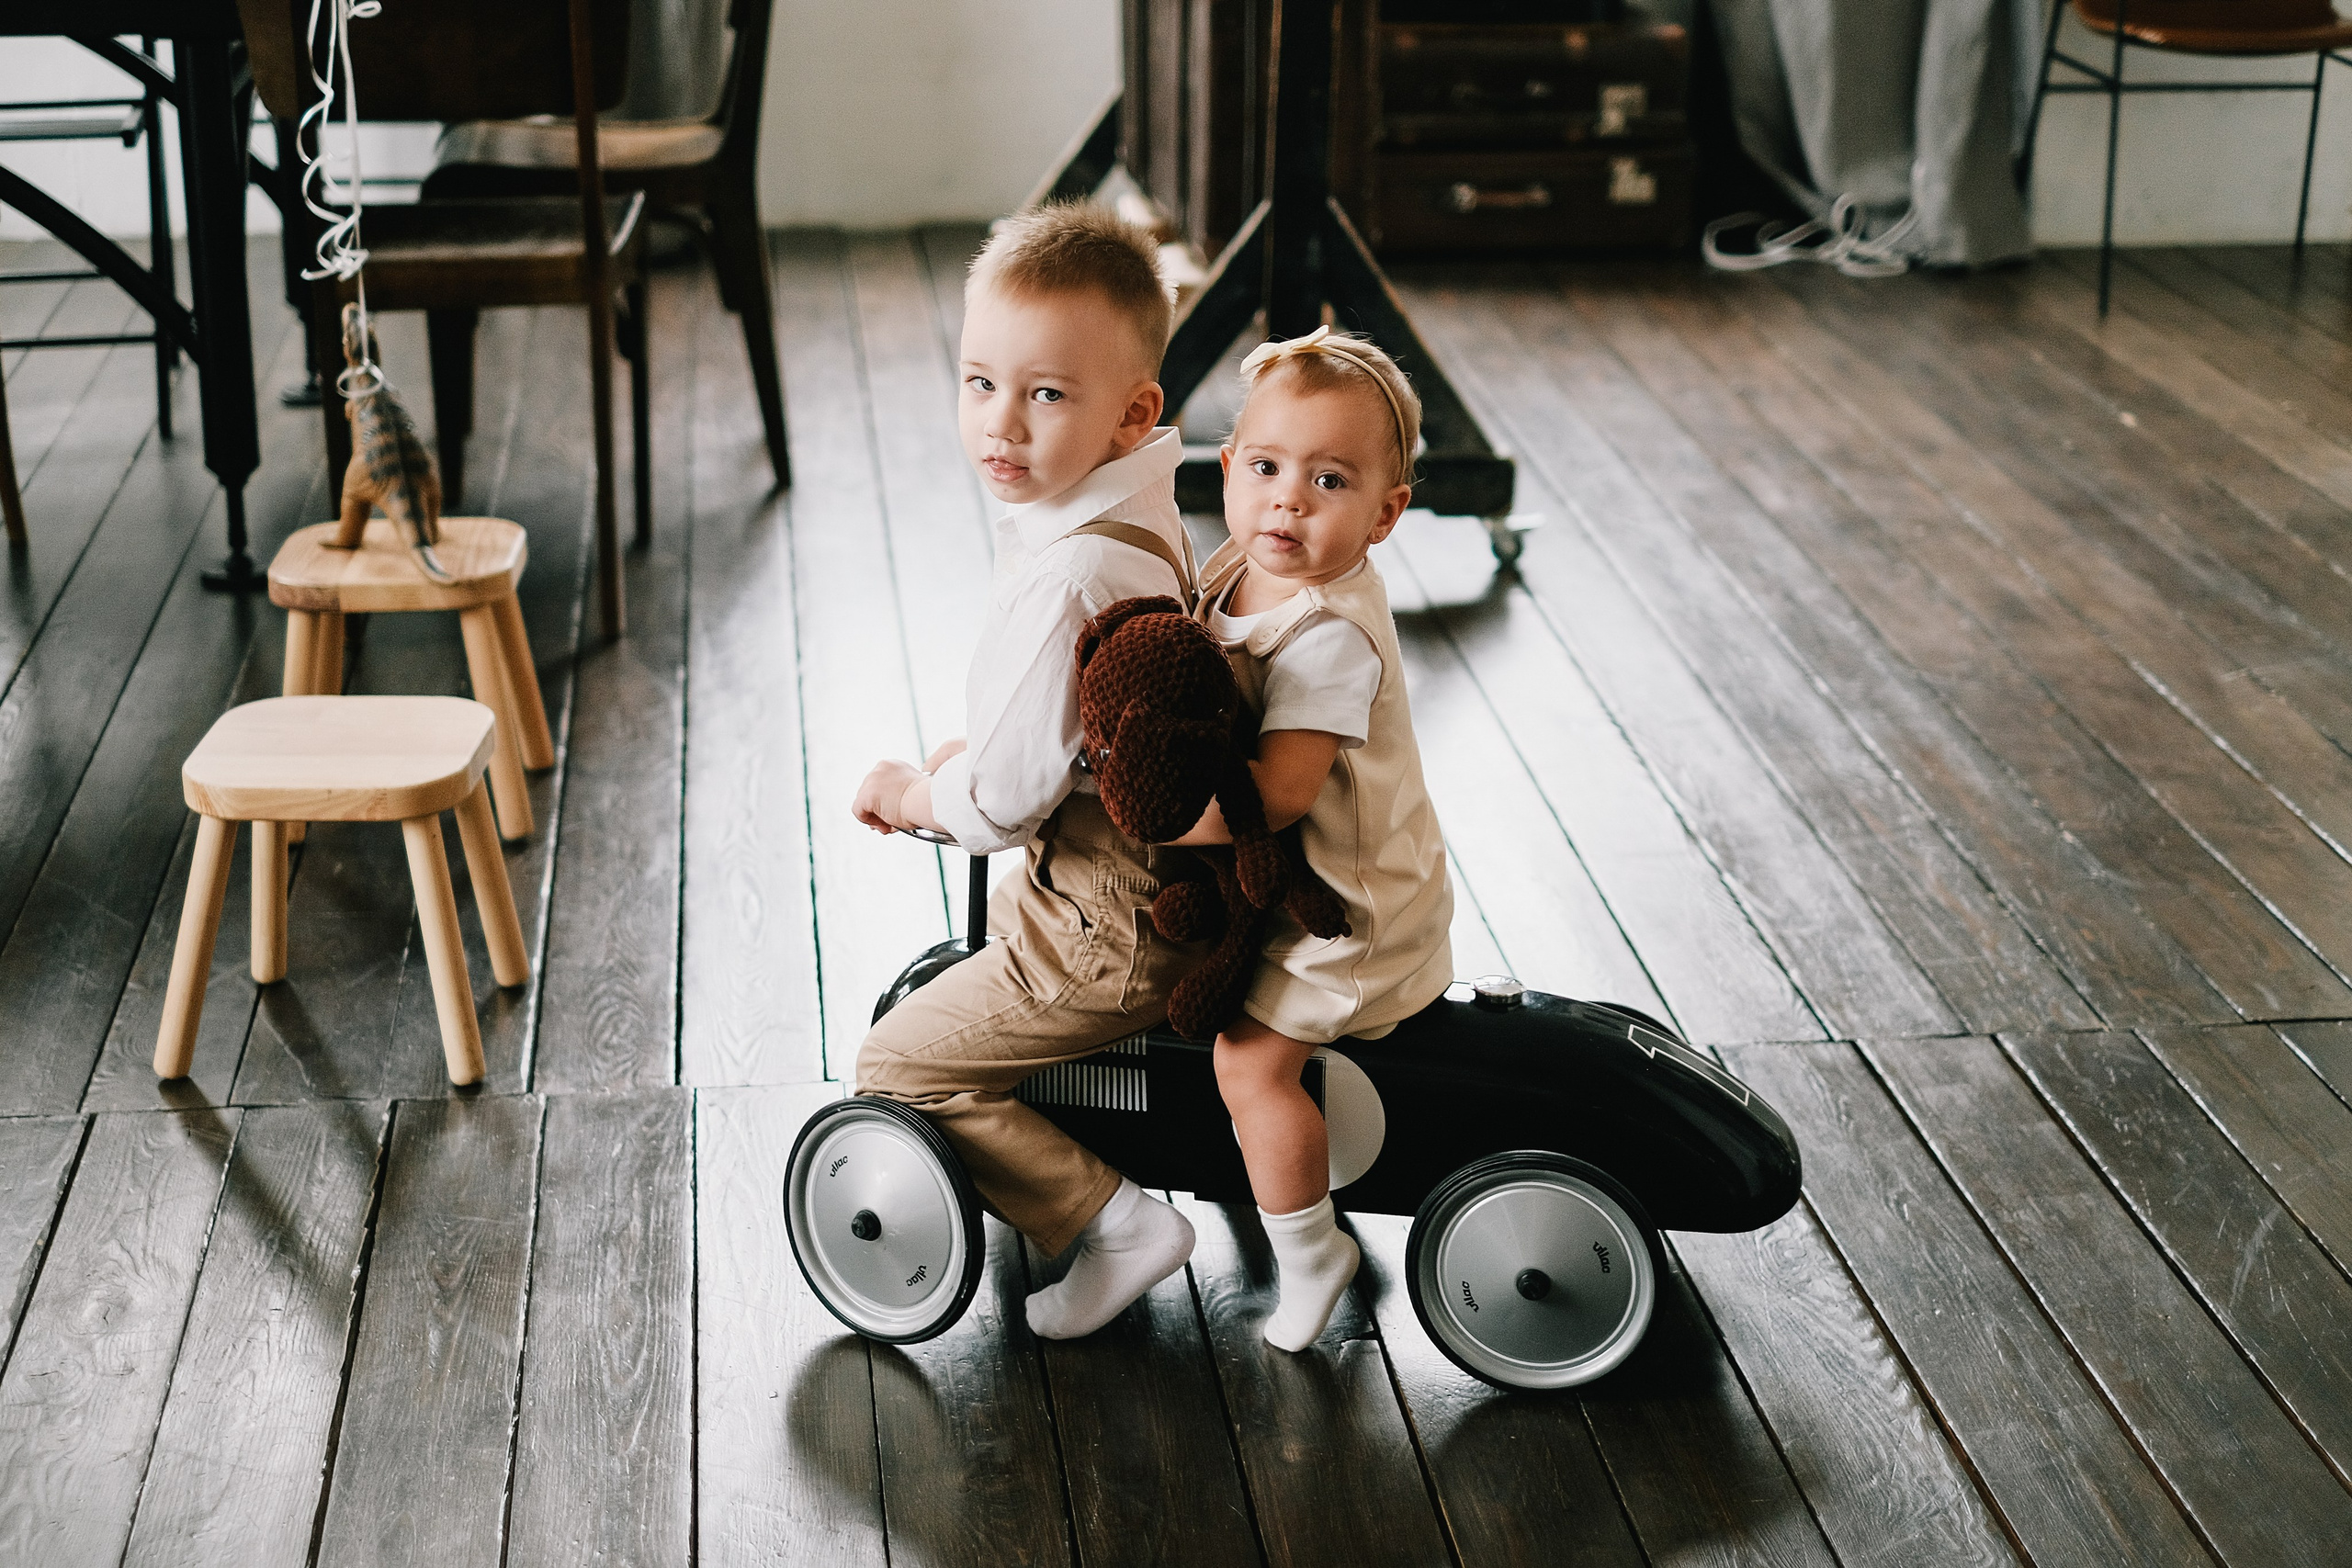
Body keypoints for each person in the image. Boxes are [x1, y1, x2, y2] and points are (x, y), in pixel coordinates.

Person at [850, 204, 1204, 1341]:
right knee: (994, 938)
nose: (1001, 423)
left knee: (897, 1059)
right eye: (979, 383)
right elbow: (1062, 740)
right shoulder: (1138, 508)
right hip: (1144, 878)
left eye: (1046, 395)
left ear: (1132, 411)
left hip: (1115, 921)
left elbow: (1001, 807)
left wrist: (916, 795)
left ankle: (1113, 1222)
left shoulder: (1067, 573)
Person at [1175, 326, 1454, 1351]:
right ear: (1227, 471)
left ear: (1386, 514)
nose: (1287, 500)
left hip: (1347, 906)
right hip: (1274, 885)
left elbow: (1282, 795)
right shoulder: (1233, 567)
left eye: (1329, 479)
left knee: (1248, 1065)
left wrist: (1147, 810)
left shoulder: (1330, 632)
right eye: (1265, 467)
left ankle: (1310, 1252)